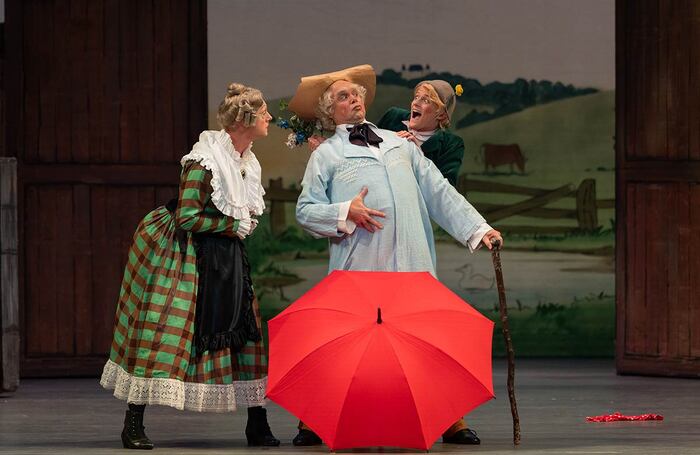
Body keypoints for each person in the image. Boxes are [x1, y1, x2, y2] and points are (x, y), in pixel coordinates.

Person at [291, 65, 502, 446]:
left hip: (410, 257)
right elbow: (305, 211)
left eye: (355, 93)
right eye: (343, 96)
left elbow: (439, 191)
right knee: (348, 341)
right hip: (361, 262)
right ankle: (313, 420)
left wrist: (479, 228)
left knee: (424, 338)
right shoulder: (328, 155)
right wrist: (344, 212)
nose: (353, 98)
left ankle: (449, 418)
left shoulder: (398, 142)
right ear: (329, 112)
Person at [100, 83, 280, 449]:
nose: (269, 119)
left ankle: (257, 423)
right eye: (263, 114)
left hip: (225, 254)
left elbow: (240, 208)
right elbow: (186, 216)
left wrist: (238, 225)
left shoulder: (246, 162)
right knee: (165, 330)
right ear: (246, 120)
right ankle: (132, 422)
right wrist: (233, 225)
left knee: (246, 331)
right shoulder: (204, 161)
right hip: (183, 254)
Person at [376, 80, 464, 186]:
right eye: (416, 97)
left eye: (426, 100)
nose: (415, 103)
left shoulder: (451, 144)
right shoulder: (393, 117)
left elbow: (447, 192)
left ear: (441, 115)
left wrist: (419, 155)